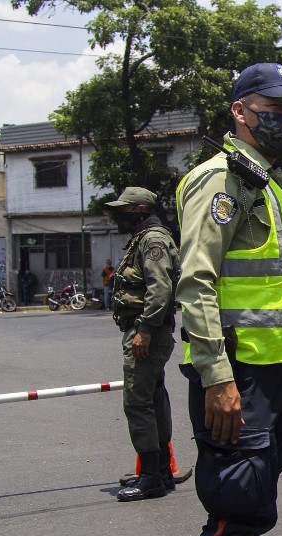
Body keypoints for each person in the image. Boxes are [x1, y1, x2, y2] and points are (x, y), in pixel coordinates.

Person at [175, 62, 282, 536]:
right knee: (235, 501)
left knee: (253, 500)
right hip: (238, 374)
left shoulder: (266, 182)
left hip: (274, 370)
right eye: (274, 107)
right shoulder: (221, 180)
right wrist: (217, 377)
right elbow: (195, 282)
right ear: (240, 110)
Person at [106, 187, 180, 503]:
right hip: (145, 329)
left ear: (139, 209)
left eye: (124, 209)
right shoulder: (145, 237)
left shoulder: (153, 241)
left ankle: (151, 477)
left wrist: (145, 330)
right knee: (153, 396)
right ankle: (160, 470)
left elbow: (160, 288)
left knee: (138, 401)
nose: (119, 215)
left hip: (146, 331)